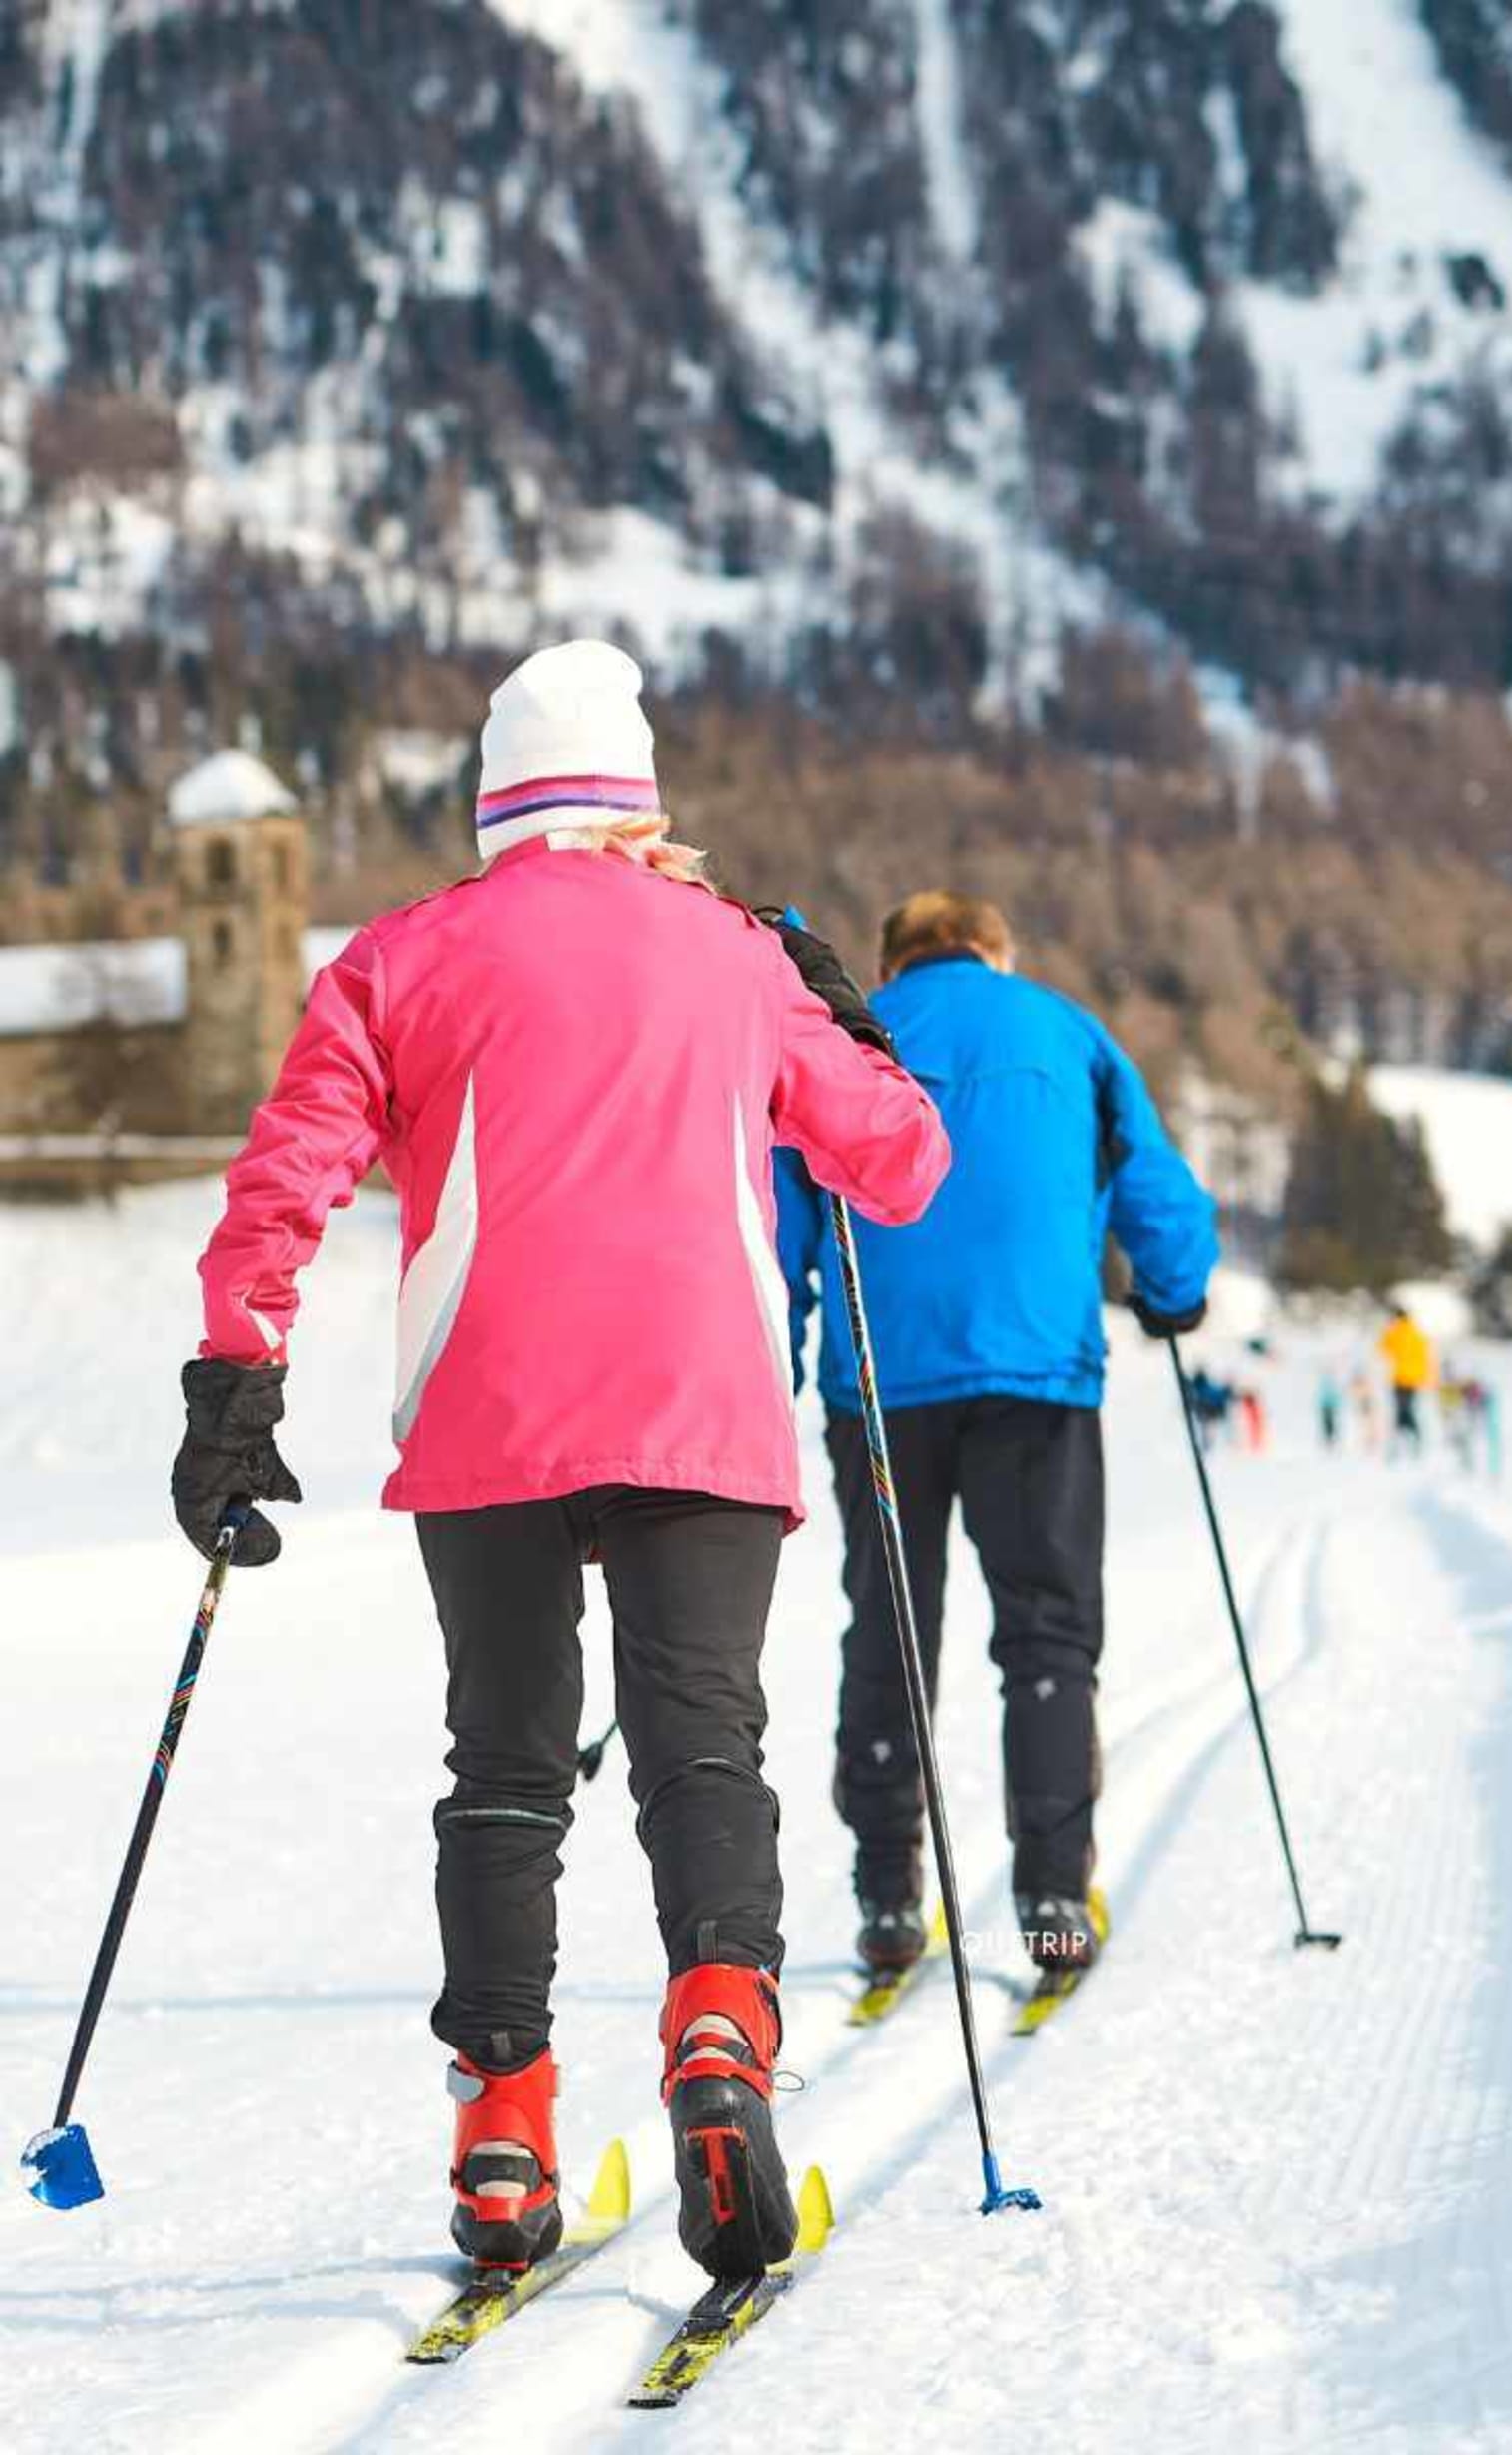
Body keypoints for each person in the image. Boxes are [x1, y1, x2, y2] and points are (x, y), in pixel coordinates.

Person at [171, 641, 948, 2282]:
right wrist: (839, 1014)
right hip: (698, 1408)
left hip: (488, 1413)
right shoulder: (736, 952)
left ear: (492, 801)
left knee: (508, 1769)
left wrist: (234, 1381)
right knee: (700, 1755)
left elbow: (281, 1182)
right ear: (642, 796)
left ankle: (505, 2131)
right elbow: (897, 1164)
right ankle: (721, 2041)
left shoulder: (392, 958)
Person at [775, 890, 1217, 1981]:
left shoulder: (845, 1032)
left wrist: (775, 1347)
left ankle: (886, 1899)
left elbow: (782, 1204)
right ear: (994, 950)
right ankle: (1054, 1896)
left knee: (887, 1625)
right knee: (1046, 1632)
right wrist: (1174, 1290)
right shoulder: (1066, 1029)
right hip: (1036, 1372)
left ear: (893, 961)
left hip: (879, 1381)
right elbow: (1152, 1180)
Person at [1379, 1306, 1435, 1458]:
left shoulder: (1396, 1332)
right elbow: (1426, 1357)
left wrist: (1389, 1330)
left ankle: (1407, 1439)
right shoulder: (1417, 1334)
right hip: (1413, 1379)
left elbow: (1383, 1349)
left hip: (1400, 1378)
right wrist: (1426, 1377)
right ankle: (1409, 1438)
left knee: (1403, 1410)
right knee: (1405, 1409)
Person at [1315, 1369, 1343, 1450]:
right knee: (1328, 1424)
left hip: (1328, 1407)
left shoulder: (1327, 1383)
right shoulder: (1327, 1382)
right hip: (1327, 1407)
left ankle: (1330, 1441)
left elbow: (1334, 1395)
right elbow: (1322, 1395)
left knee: (1330, 1424)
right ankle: (1329, 1441)